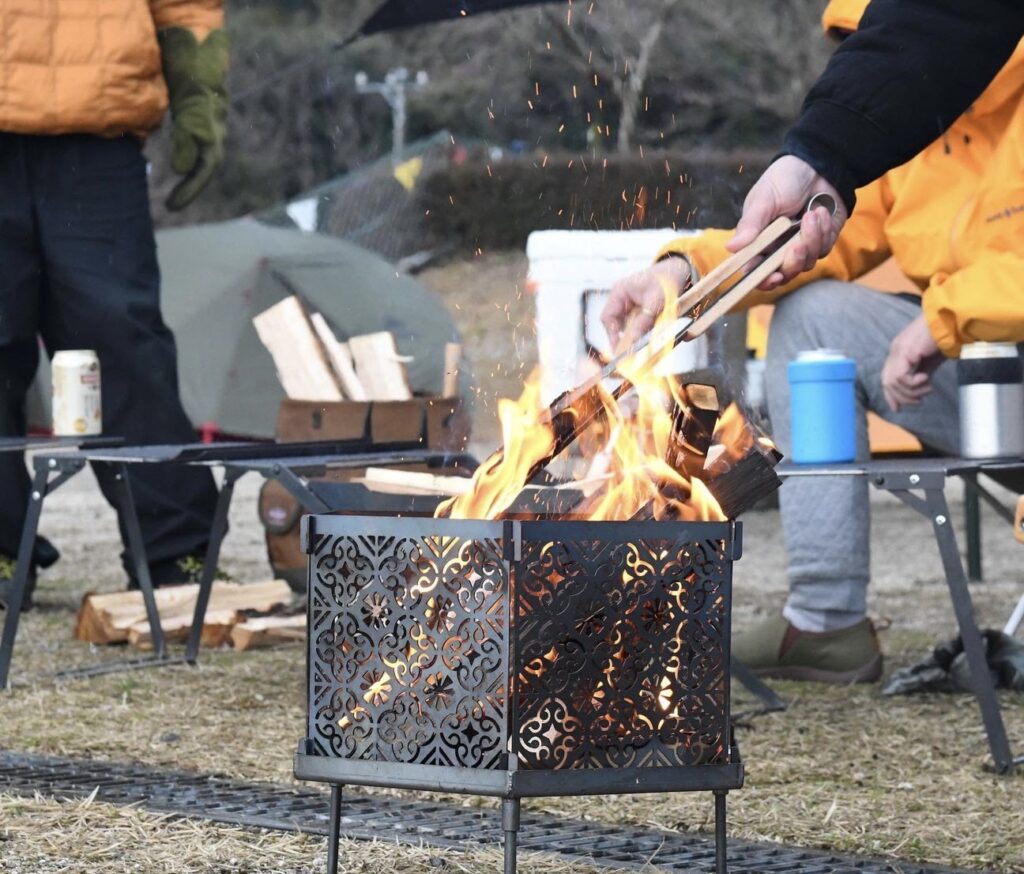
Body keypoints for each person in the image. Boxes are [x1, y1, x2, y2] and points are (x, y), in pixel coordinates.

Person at [602, 0, 1024, 683]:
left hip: (994, 358)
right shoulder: (907, 140)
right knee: (811, 318)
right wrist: (680, 272)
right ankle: (827, 625)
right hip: (979, 396)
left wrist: (948, 315)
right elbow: (805, 242)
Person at [0, 1, 229, 606]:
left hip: (98, 126)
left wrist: (199, 94)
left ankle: (177, 558)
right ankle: (1, 561)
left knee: (125, 346)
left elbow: (186, 5)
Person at [724, 0, 1024, 291]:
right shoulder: (900, 136)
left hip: (978, 318)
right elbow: (854, 231)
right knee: (812, 309)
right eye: (853, 49)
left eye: (865, 41)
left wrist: (943, 320)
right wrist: (692, 262)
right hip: (946, 320)